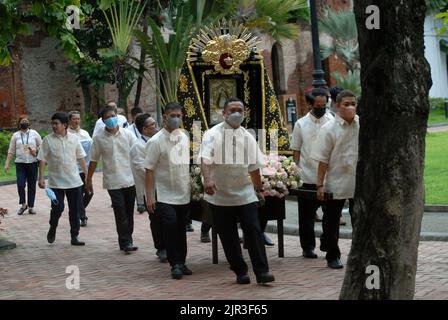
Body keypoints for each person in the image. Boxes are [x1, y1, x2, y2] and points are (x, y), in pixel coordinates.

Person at [199, 97, 275, 285]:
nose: (236, 114)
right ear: (224, 113)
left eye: (240, 110)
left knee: (254, 231)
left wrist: (258, 189)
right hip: (220, 194)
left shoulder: (248, 136)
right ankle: (240, 270)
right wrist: (207, 180)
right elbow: (205, 159)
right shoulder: (212, 134)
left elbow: (254, 166)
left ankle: (262, 271)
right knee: (228, 235)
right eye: (232, 110)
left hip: (245, 192)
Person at [311, 90, 359, 269]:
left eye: (353, 103)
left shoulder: (361, 124)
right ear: (338, 106)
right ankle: (332, 255)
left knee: (359, 220)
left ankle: (358, 254)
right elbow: (322, 160)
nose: (350, 107)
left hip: (357, 182)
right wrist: (320, 185)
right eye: (346, 104)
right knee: (331, 222)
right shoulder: (329, 128)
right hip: (335, 182)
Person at [144, 102, 192, 279]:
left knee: (181, 229)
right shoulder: (155, 142)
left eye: (179, 116)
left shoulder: (184, 137)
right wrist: (150, 197)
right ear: (164, 117)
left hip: (183, 192)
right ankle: (175, 264)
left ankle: (183, 261)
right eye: (173, 115)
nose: (176, 119)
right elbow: (148, 170)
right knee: (170, 228)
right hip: (164, 194)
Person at [86, 106, 138, 253]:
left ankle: (128, 239)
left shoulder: (127, 135)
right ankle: (125, 241)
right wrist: (88, 180)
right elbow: (94, 160)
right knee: (120, 210)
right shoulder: (98, 139)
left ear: (117, 116)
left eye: (113, 115)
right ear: (103, 120)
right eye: (107, 117)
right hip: (112, 181)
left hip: (129, 179)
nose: (111, 119)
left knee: (129, 212)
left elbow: (137, 154)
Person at [290, 88, 333, 259]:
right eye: (318, 106)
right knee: (306, 216)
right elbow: (296, 150)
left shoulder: (332, 122)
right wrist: (295, 171)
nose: (321, 108)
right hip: (307, 175)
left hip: (329, 176)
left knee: (330, 215)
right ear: (310, 105)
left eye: (324, 105)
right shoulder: (300, 124)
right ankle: (307, 247)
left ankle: (326, 240)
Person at [37, 112, 87, 246]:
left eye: (56, 123)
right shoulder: (47, 140)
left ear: (64, 125)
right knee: (58, 209)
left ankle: (74, 236)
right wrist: (41, 178)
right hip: (55, 182)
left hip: (74, 181)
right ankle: (53, 227)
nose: (53, 126)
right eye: (52, 123)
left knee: (75, 210)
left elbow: (80, 157)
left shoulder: (75, 139)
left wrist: (87, 176)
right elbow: (42, 159)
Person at [130, 114, 167, 262]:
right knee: (156, 219)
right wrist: (161, 169)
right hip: (151, 188)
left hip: (166, 186)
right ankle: (161, 248)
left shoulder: (160, 141)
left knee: (168, 219)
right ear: (144, 129)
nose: (156, 126)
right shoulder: (137, 147)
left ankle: (170, 246)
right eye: (152, 124)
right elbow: (142, 169)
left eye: (155, 123)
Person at [4, 116, 42, 215]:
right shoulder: (15, 135)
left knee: (32, 185)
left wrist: (36, 150)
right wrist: (7, 163)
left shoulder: (34, 133)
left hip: (32, 163)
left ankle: (31, 206)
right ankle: (23, 204)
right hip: (20, 163)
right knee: (20, 184)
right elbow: (11, 150)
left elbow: (42, 145)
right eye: (22, 121)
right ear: (19, 123)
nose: (24, 122)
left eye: (26, 121)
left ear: (29, 123)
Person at [68, 111, 93, 227]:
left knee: (89, 192)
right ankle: (82, 217)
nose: (77, 121)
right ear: (70, 120)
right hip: (73, 170)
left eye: (78, 119)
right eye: (74, 119)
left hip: (86, 169)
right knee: (78, 194)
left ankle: (77, 210)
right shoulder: (67, 134)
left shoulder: (85, 133)